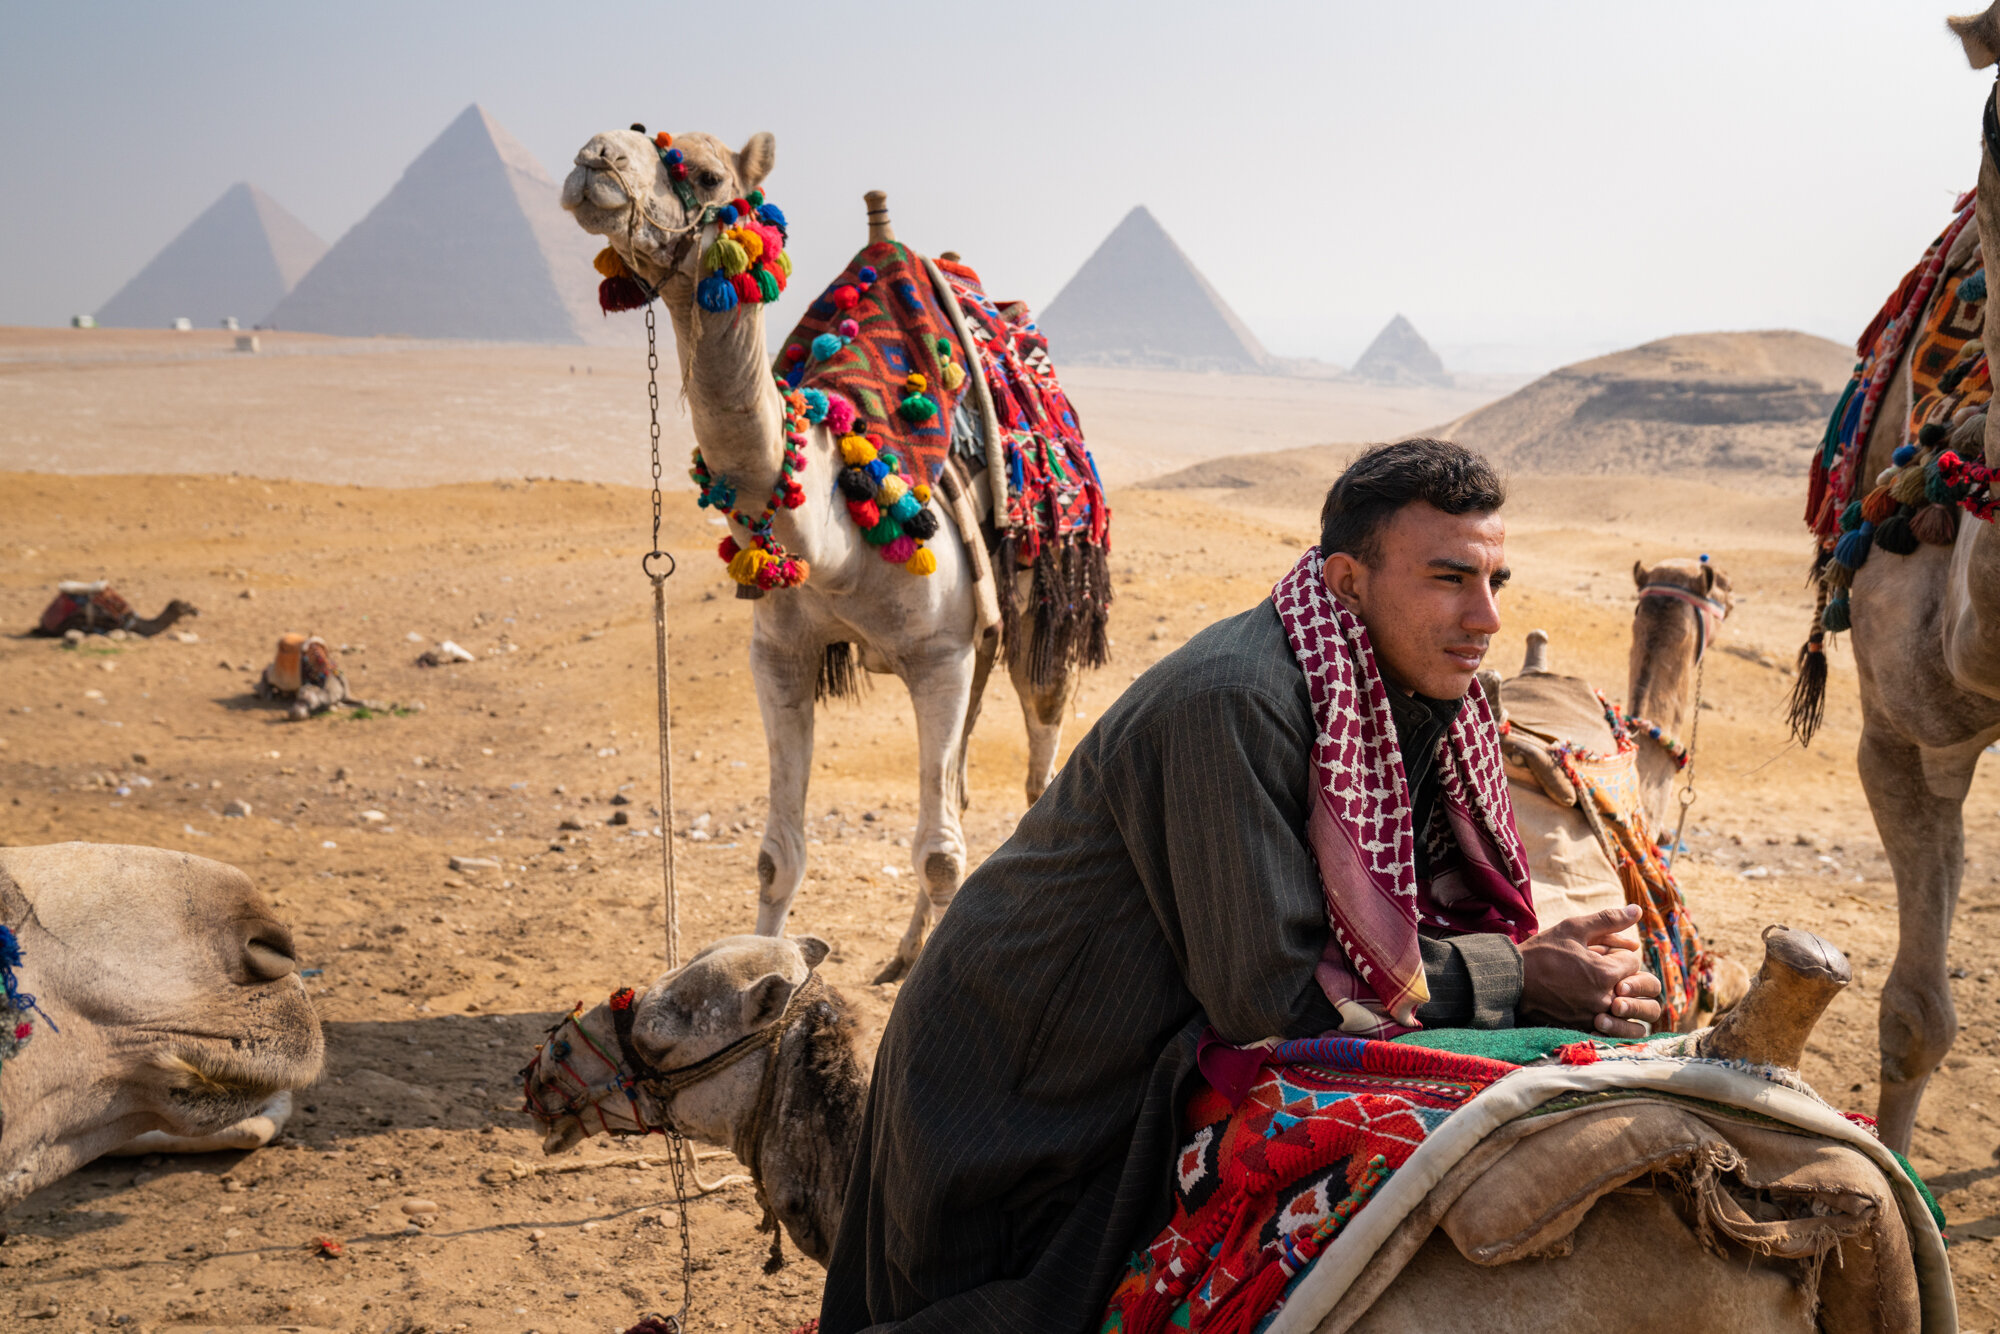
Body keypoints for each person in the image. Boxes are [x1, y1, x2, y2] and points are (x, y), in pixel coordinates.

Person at [818, 439, 1664, 1333]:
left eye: (1496, 582)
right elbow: (1273, 992)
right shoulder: (1237, 700)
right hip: (1023, 1087)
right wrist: (1517, 976)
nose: (1486, 618)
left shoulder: (1391, 695)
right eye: (1450, 579)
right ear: (1346, 582)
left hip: (1131, 1041)